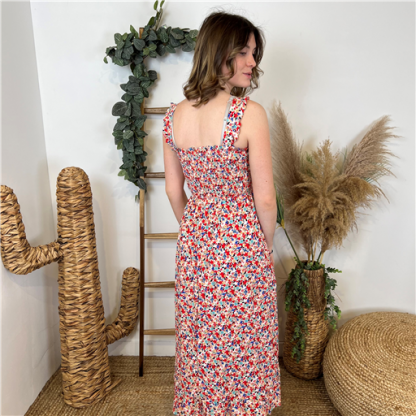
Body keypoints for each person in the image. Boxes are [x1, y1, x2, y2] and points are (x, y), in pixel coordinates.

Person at [163, 10, 281, 415]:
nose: (252, 61)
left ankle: (205, 406)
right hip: (242, 243)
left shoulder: (172, 118)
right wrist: (263, 245)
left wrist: (197, 228)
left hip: (196, 243)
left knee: (203, 336)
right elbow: (266, 198)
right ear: (218, 53)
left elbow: (173, 190)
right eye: (243, 52)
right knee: (244, 335)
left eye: (253, 53)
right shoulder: (249, 114)